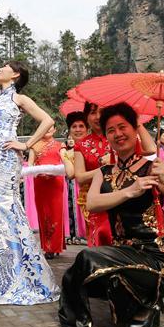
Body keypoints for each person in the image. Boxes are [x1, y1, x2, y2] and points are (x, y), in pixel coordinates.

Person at [59, 103, 164, 327]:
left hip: (158, 257)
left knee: (87, 258)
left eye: (123, 127)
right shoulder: (104, 172)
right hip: (125, 253)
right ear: (106, 137)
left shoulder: (152, 169)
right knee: (89, 274)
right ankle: (147, 303)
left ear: (136, 130)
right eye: (111, 130)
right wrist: (130, 191)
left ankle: (149, 301)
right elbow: (93, 203)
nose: (118, 134)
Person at [0, 33, 59, 305]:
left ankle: (5, 278)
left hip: (7, 161)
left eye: (4, 67)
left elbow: (47, 119)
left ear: (15, 75)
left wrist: (25, 143)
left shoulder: (19, 99)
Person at [73, 102, 114, 247]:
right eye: (92, 113)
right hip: (95, 201)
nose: (97, 117)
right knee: (99, 242)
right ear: (86, 116)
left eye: (101, 112)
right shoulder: (81, 145)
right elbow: (80, 177)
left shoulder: (119, 137)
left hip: (119, 198)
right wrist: (105, 167)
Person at [27, 128, 71, 259]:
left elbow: (66, 161)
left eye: (51, 127)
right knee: (44, 213)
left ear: (55, 129)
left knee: (56, 213)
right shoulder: (34, 145)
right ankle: (49, 247)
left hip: (56, 182)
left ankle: (55, 246)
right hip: (40, 182)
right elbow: (30, 163)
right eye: (46, 127)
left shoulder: (60, 145)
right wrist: (35, 171)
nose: (48, 130)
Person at [63, 111, 89, 244]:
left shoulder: (94, 145)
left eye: (81, 126)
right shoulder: (68, 152)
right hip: (83, 195)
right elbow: (71, 174)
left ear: (87, 128)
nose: (78, 130)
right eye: (74, 127)